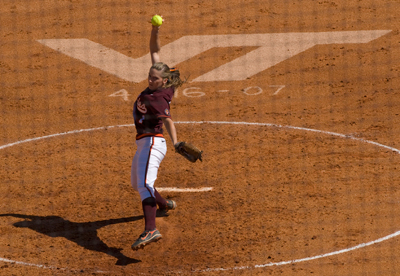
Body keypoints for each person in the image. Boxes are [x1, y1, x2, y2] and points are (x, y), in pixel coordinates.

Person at [130, 18, 185, 251]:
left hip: (153, 142)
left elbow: (168, 121)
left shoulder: (157, 98)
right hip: (145, 144)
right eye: (149, 76)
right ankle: (164, 204)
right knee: (137, 183)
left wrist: (177, 142)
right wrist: (155, 30)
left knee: (144, 184)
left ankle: (151, 229)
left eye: (154, 78)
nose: (150, 80)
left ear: (163, 81)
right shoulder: (162, 83)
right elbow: (155, 50)